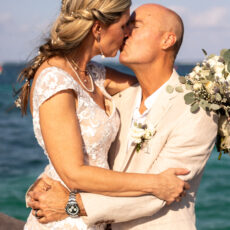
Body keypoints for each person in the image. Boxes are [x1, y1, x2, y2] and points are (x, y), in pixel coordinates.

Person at [28, 3, 219, 230]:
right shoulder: (115, 96)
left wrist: (70, 204)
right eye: (124, 25)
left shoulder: (197, 109)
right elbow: (77, 158)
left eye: (134, 26)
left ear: (167, 40)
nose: (125, 32)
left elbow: (160, 193)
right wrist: (47, 182)